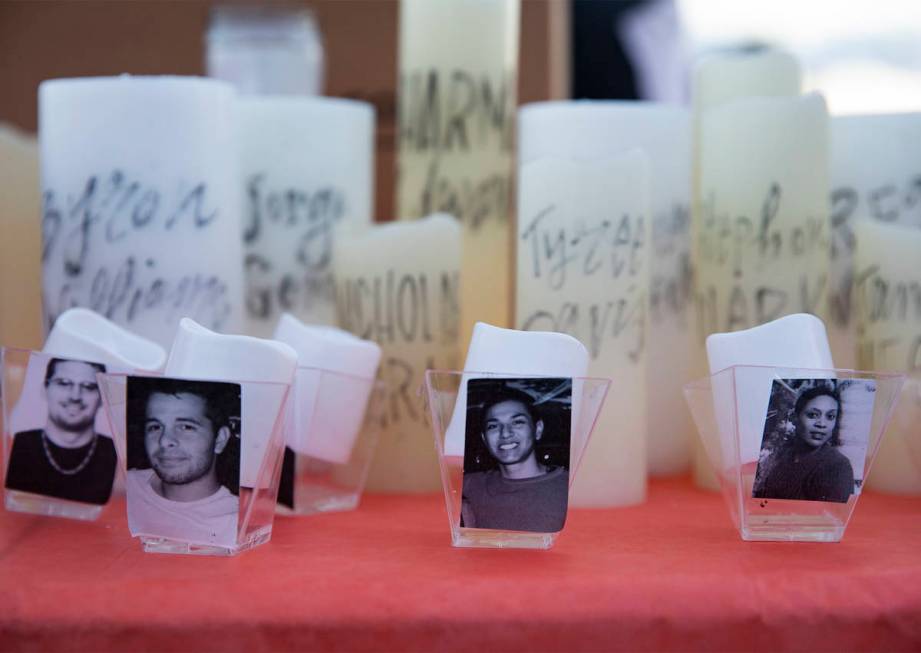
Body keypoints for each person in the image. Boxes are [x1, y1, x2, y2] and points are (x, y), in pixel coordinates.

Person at [126, 379, 239, 547]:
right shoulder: (125, 488)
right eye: (155, 427)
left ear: (220, 440)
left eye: (186, 427)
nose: (165, 441)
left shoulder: (237, 522)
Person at [5, 357, 116, 505]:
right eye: (64, 383)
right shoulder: (19, 445)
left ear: (103, 397)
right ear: (45, 389)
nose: (75, 396)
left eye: (89, 386)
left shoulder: (117, 455)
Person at [461, 388, 568, 533]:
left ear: (537, 430)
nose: (505, 433)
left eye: (517, 422)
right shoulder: (469, 485)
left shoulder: (569, 488)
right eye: (493, 426)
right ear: (484, 439)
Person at [754, 386, 854, 503]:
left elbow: (830, 516)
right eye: (813, 415)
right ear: (794, 418)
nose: (822, 424)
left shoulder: (837, 466)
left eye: (830, 417)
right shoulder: (781, 455)